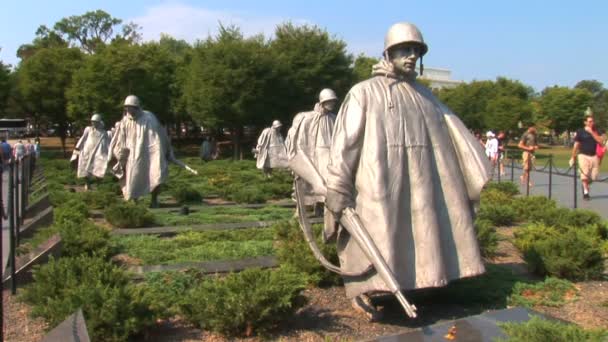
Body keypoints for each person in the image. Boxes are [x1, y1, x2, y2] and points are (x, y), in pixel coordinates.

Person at [323, 22, 490, 320]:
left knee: (419, 233)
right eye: (404, 49)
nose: (411, 55)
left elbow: (451, 140)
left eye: (416, 50)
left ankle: (419, 283)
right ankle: (364, 290)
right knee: (378, 234)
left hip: (421, 181)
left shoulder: (427, 99)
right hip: (378, 182)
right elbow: (345, 144)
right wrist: (337, 186)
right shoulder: (364, 92)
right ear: (388, 52)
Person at [109, 95, 197, 208]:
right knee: (132, 177)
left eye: (131, 107)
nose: (128, 110)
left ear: (136, 107)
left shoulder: (149, 118)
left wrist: (161, 152)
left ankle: (154, 199)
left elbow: (158, 135)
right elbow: (121, 138)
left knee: (155, 174)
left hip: (149, 153)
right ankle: (134, 201)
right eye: (127, 108)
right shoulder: (125, 120)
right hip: (132, 155)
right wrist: (119, 153)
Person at [287, 88, 338, 216]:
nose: (332, 104)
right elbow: (298, 140)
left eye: (333, 101)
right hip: (311, 154)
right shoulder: (307, 117)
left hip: (328, 156)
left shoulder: (333, 118)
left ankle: (320, 208)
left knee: (326, 182)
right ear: (322, 102)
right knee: (306, 182)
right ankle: (300, 210)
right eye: (329, 101)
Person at [71, 114, 110, 191]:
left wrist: (108, 152)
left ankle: (99, 185)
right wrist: (77, 148)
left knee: (99, 168)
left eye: (95, 122)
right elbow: (83, 138)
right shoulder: (88, 129)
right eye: (92, 122)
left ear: (99, 122)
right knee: (85, 169)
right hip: (87, 152)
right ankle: (87, 184)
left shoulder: (103, 132)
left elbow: (106, 144)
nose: (93, 123)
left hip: (98, 153)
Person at [569, 115, 604, 200]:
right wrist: (572, 157)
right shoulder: (580, 132)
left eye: (592, 121)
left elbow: (601, 142)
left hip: (594, 156)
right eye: (589, 121)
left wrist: (592, 132)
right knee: (584, 174)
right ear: (585, 122)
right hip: (583, 155)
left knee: (593, 177)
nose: (591, 123)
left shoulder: (596, 131)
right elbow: (576, 145)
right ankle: (586, 192)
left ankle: (585, 185)